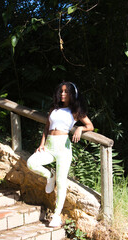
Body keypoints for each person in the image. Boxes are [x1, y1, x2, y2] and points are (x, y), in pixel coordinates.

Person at [27, 81, 94, 227]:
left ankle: (56, 216)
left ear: (72, 94)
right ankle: (50, 176)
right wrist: (41, 145)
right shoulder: (54, 109)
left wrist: (80, 129)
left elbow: (90, 126)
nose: (63, 94)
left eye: (66, 92)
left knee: (62, 182)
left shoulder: (76, 111)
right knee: (31, 163)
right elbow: (46, 127)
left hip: (64, 147)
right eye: (61, 91)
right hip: (49, 146)